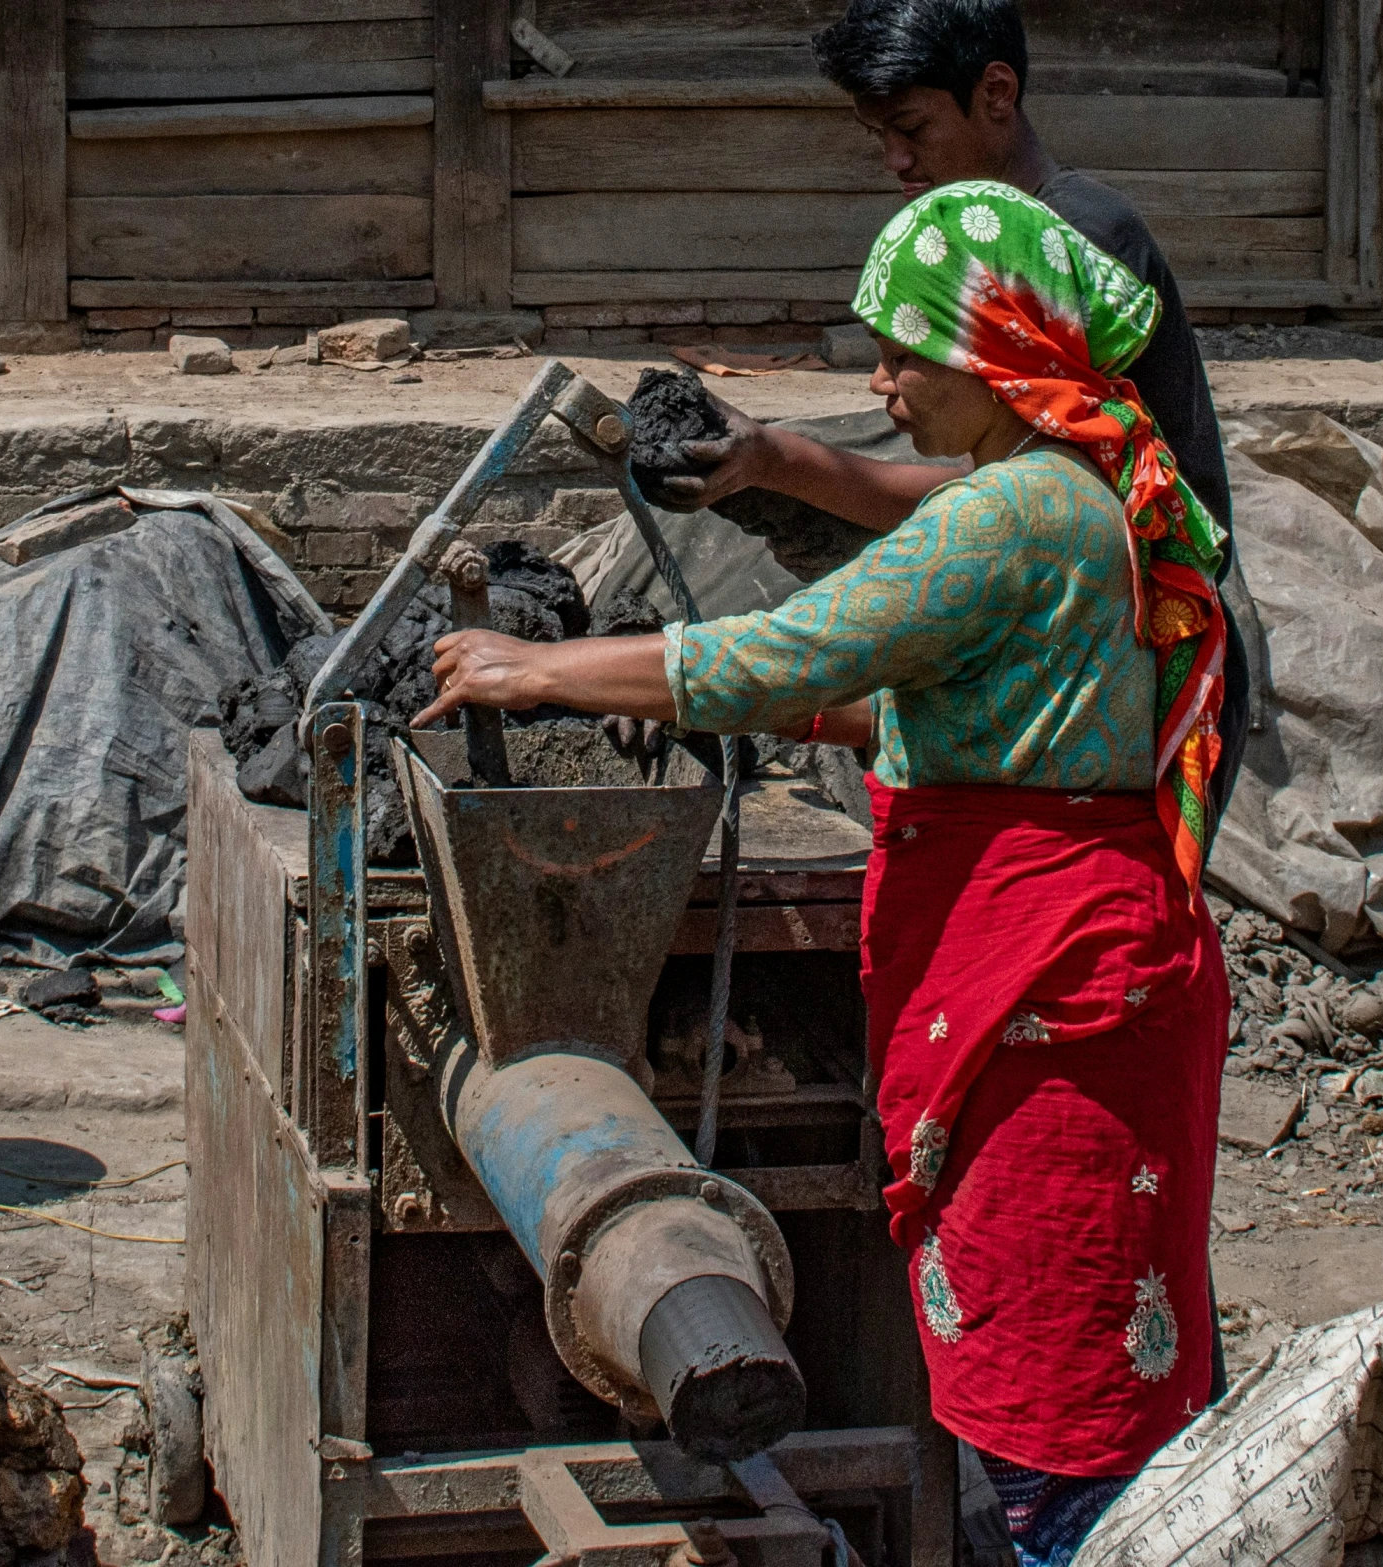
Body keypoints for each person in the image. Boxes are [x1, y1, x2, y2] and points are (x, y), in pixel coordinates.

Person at [418, 183, 1232, 1563]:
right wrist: (679, 693)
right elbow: (914, 708)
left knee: (1061, 1372)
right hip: (1088, 953)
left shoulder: (1007, 520)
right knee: (1099, 1345)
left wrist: (539, 667)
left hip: (1049, 979)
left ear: (990, 362)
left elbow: (784, 652)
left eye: (902, 355)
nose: (882, 382)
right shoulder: (1079, 489)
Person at [650, 0, 1251, 823]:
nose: (896, 158)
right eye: (878, 136)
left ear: (996, 93)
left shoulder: (1070, 247)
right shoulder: (989, 248)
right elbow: (982, 502)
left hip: (1135, 654)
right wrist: (770, 462)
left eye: (912, 126)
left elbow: (1024, 514)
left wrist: (779, 465)